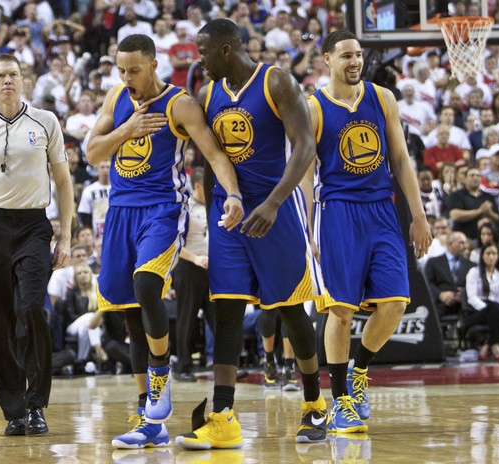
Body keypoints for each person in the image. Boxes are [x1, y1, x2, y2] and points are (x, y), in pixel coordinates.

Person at [85, 34, 244, 449]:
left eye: (134, 69)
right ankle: (149, 422)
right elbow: (92, 153)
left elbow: (214, 154)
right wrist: (128, 128)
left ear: (154, 65)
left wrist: (234, 195)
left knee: (146, 285)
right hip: (119, 212)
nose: (127, 77)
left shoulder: (179, 104)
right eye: (121, 70)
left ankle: (161, 373)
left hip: (162, 209)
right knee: (130, 313)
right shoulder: (116, 99)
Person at [176, 19, 327, 449]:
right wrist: (215, 209)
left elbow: (304, 147)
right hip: (231, 213)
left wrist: (274, 202)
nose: (198, 61)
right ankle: (223, 416)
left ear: (226, 50)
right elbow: (208, 159)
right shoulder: (208, 95)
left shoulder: (275, 81)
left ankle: (314, 404)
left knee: (290, 308)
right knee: (225, 308)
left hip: (275, 208)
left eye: (204, 52)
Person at [307, 30, 431, 434]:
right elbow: (306, 175)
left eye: (358, 55)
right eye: (346, 56)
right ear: (327, 60)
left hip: (382, 209)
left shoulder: (382, 98)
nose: (354, 62)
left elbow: (399, 157)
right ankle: (340, 397)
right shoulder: (314, 107)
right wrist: (309, 229)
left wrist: (419, 214)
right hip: (338, 212)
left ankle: (359, 371)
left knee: (395, 302)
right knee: (340, 312)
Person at [0, 54, 74, 437]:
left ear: (25, 81)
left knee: (32, 310)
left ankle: (37, 404)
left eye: (14, 75)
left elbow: (65, 182)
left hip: (34, 225)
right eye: (0, 75)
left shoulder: (46, 121)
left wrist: (67, 235)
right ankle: (14, 411)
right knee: (0, 317)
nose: (8, 80)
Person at [172, 167, 215, 383]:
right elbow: (174, 243)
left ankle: (224, 365)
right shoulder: (185, 207)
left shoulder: (215, 204)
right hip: (188, 267)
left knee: (217, 318)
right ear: (198, 185)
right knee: (187, 318)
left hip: (212, 268)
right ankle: (183, 366)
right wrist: (195, 258)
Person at [465, 243, 499, 361]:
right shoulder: (474, 272)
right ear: (482, 256)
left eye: (494, 254)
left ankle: (487, 344)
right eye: (488, 253)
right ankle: (496, 346)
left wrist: (493, 310)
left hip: (495, 311)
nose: (491, 257)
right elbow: (471, 297)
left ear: (498, 256)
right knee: (494, 307)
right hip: (476, 312)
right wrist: (487, 309)